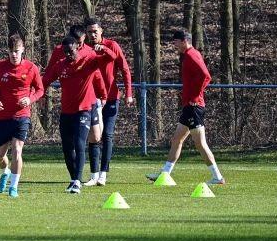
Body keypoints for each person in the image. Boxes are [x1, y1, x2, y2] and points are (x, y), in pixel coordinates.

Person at [147, 29, 225, 185]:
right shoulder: (188, 55)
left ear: (184, 41)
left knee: (200, 143)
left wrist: (195, 96)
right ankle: (165, 174)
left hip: (194, 107)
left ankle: (217, 177)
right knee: (177, 139)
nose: (174, 45)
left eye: (176, 42)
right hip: (190, 107)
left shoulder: (191, 55)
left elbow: (206, 76)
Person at [41, 36, 117, 193]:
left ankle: (77, 180)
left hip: (84, 110)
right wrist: (40, 95)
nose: (68, 55)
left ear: (77, 48)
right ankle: (73, 178)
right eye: (65, 52)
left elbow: (112, 57)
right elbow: (45, 79)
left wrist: (103, 49)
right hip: (66, 112)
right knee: (67, 147)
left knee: (79, 143)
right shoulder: (60, 66)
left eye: (71, 51)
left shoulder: (88, 61)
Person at [0, 33, 44, 198]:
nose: (14, 54)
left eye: (17, 51)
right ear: (8, 50)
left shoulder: (31, 68)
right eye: (11, 51)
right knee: (0, 157)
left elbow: (40, 90)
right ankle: (5, 172)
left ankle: (14, 187)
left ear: (23, 50)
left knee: (17, 151)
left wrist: (30, 98)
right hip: (4, 117)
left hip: (22, 117)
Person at [83, 18, 135, 186]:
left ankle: (103, 174)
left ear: (101, 30)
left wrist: (128, 93)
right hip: (92, 99)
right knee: (93, 137)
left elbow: (125, 69)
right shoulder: (84, 48)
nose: (92, 34)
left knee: (107, 135)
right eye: (89, 32)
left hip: (111, 98)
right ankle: (94, 175)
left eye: (95, 31)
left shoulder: (112, 45)